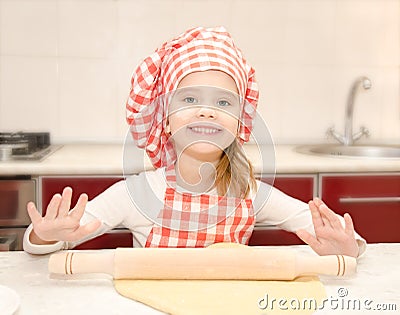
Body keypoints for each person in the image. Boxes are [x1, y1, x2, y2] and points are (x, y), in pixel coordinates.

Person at [23, 26, 365, 257]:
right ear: (165, 120)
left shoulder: (250, 193)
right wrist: (46, 236)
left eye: (223, 103)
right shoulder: (138, 194)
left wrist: (350, 247)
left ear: (239, 121)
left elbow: (347, 241)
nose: (207, 113)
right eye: (189, 100)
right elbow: (45, 246)